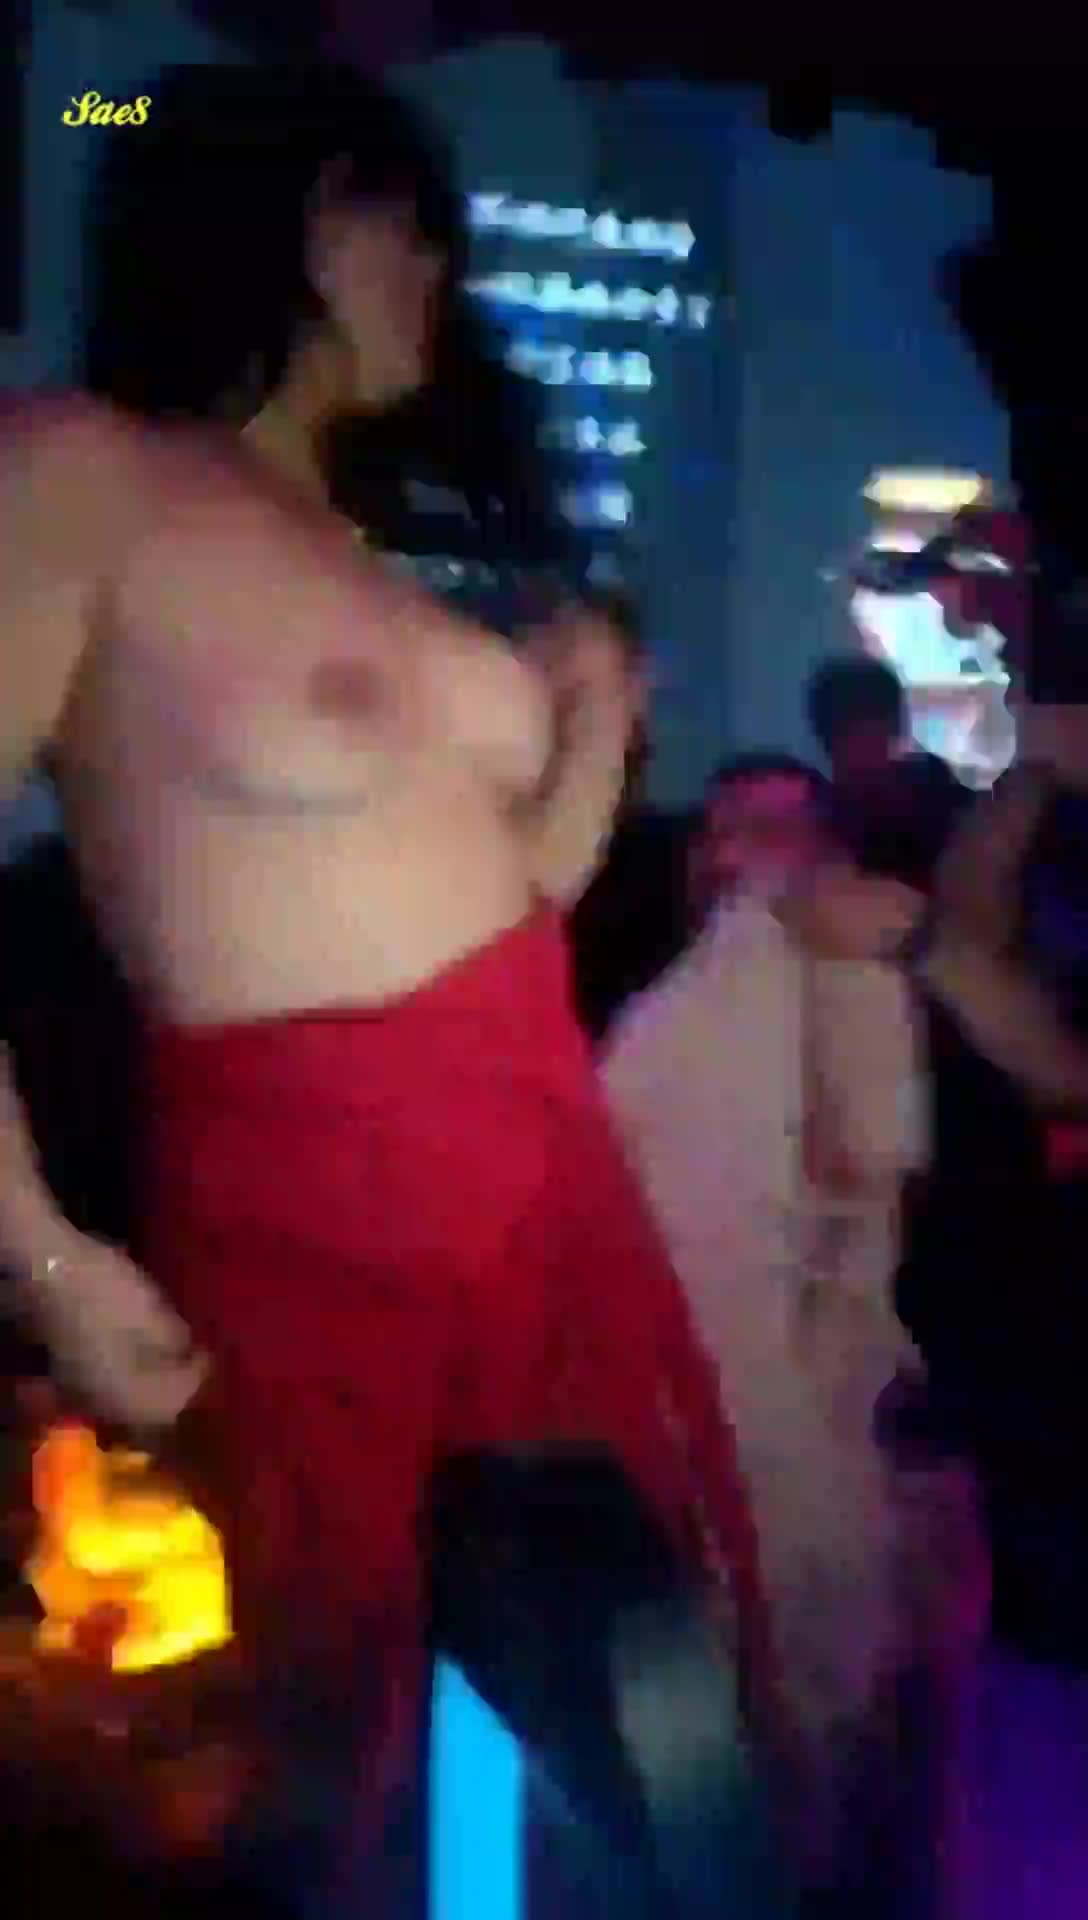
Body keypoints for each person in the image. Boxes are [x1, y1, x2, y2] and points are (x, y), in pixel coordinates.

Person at [0, 63, 769, 1892]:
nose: (437, 266)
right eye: (400, 220)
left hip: (542, 1182)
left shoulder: (359, 551)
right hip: (312, 1206)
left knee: (590, 1742)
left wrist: (597, 720)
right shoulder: (81, 470)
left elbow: (510, 900)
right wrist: (38, 1250)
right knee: (348, 1754)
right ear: (284, 217)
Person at [600, 751, 928, 1884]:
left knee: (812, 1681)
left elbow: (861, 1169)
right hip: (674, 1380)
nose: (745, 850)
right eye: (727, 826)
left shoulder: (843, 972)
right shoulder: (666, 990)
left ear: (827, 849)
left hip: (791, 1381)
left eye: (780, 826)